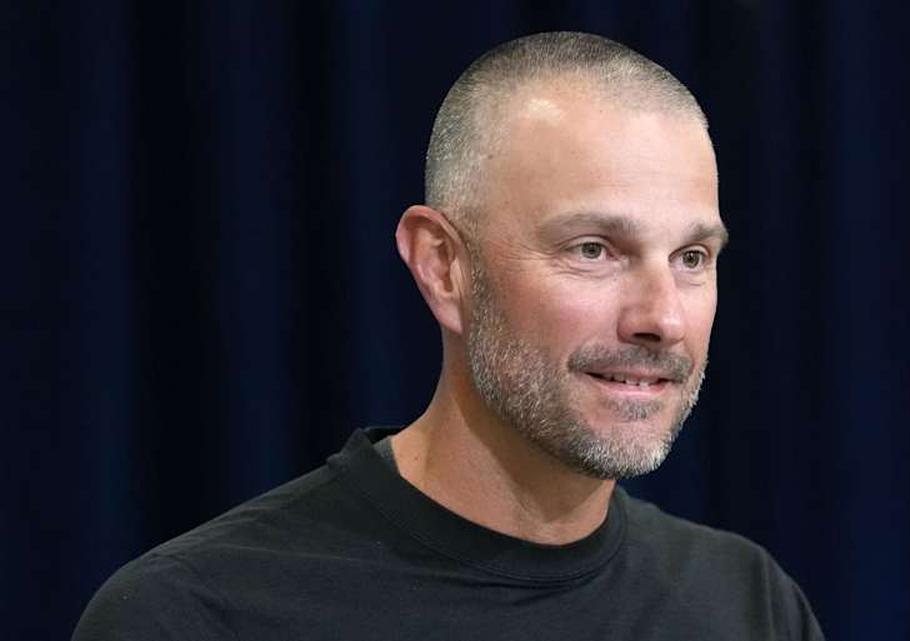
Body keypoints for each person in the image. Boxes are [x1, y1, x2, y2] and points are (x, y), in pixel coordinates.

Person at [73, 31, 825, 640]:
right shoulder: (193, 616)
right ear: (443, 266)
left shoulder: (748, 605)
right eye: (594, 249)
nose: (661, 317)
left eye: (692, 258)